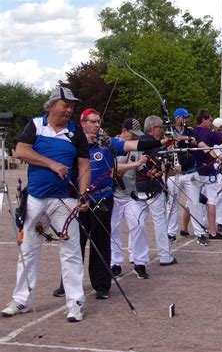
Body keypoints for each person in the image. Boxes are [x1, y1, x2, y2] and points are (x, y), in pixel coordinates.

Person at [53, 109, 167, 299]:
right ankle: (67, 283)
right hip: (77, 199)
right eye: (93, 122)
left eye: (99, 122)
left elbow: (133, 144)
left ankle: (102, 286)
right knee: (73, 244)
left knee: (102, 242)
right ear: (83, 123)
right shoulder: (71, 141)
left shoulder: (106, 142)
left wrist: (160, 141)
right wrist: (81, 146)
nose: (97, 125)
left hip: (102, 198)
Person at [1, 86, 90, 322]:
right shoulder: (36, 125)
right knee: (28, 250)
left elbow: (83, 165)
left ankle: (75, 302)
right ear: (51, 106)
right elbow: (21, 151)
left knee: (70, 251)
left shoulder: (76, 132)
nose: (69, 110)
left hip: (65, 199)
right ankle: (21, 299)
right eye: (65, 105)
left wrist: (83, 195)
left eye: (72, 106)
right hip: (36, 199)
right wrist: (51, 164)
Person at [192, 110, 222, 244]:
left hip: (196, 172)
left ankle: (184, 230)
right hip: (207, 172)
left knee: (192, 202)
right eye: (210, 120)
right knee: (211, 201)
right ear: (204, 120)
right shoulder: (210, 133)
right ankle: (212, 232)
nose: (221, 130)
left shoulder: (192, 132)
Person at [134, 115, 177, 265]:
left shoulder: (137, 142)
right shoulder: (152, 143)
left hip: (138, 188)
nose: (161, 131)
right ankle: (165, 256)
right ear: (153, 128)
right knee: (159, 221)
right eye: (160, 128)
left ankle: (135, 255)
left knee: (137, 222)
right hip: (151, 188)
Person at [110, 118, 149, 278]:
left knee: (139, 225)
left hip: (130, 195)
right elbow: (113, 169)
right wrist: (135, 164)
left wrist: (148, 170)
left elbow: (142, 168)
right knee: (113, 229)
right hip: (112, 195)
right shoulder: (110, 144)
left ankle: (140, 262)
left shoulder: (137, 148)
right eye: (132, 134)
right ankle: (115, 263)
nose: (135, 138)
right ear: (124, 131)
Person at [166, 108, 206, 243]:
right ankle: (170, 233)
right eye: (185, 117)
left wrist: (213, 153)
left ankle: (200, 233)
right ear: (178, 118)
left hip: (191, 173)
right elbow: (171, 139)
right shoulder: (169, 130)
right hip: (174, 174)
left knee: (195, 203)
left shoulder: (191, 130)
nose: (187, 120)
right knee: (172, 204)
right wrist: (188, 138)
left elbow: (201, 144)